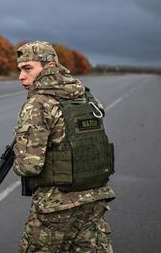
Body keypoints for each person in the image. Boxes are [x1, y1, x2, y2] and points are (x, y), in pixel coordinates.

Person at [12, 41, 116, 252]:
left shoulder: (39, 103)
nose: (21, 76)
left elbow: (29, 167)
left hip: (56, 206)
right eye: (20, 70)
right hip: (95, 200)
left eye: (28, 68)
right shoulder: (86, 96)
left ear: (49, 67)